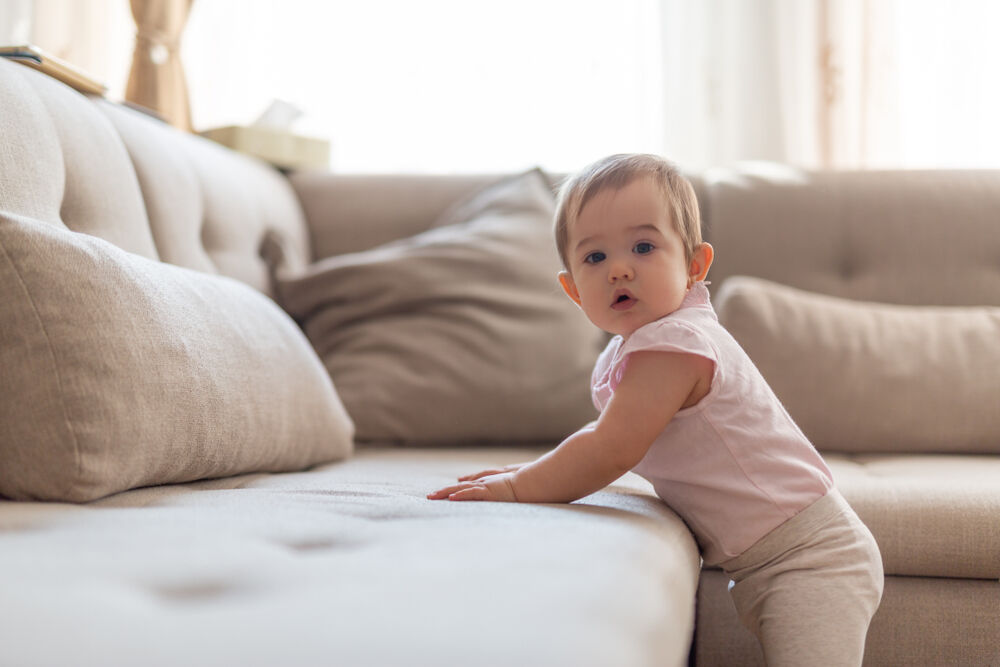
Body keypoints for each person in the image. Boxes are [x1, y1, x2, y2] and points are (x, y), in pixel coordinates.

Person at [427, 153, 883, 666]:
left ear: (694, 265)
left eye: (643, 247)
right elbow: (610, 429)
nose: (619, 268)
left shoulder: (678, 344)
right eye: (595, 258)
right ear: (573, 290)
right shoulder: (638, 346)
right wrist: (531, 472)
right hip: (766, 562)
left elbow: (610, 447)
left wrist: (517, 487)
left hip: (811, 557)